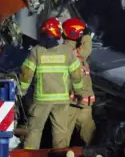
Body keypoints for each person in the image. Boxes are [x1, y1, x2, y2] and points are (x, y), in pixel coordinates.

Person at [19, 17, 85, 149]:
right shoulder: (67, 52)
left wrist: (21, 91)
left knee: (34, 131)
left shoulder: (36, 51)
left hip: (41, 101)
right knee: (60, 133)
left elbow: (26, 75)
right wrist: (79, 92)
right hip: (61, 100)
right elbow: (77, 75)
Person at [61, 17, 96, 146]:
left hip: (74, 104)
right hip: (76, 103)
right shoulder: (73, 53)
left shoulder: (64, 52)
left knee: (63, 137)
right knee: (89, 135)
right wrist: (86, 35)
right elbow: (86, 49)